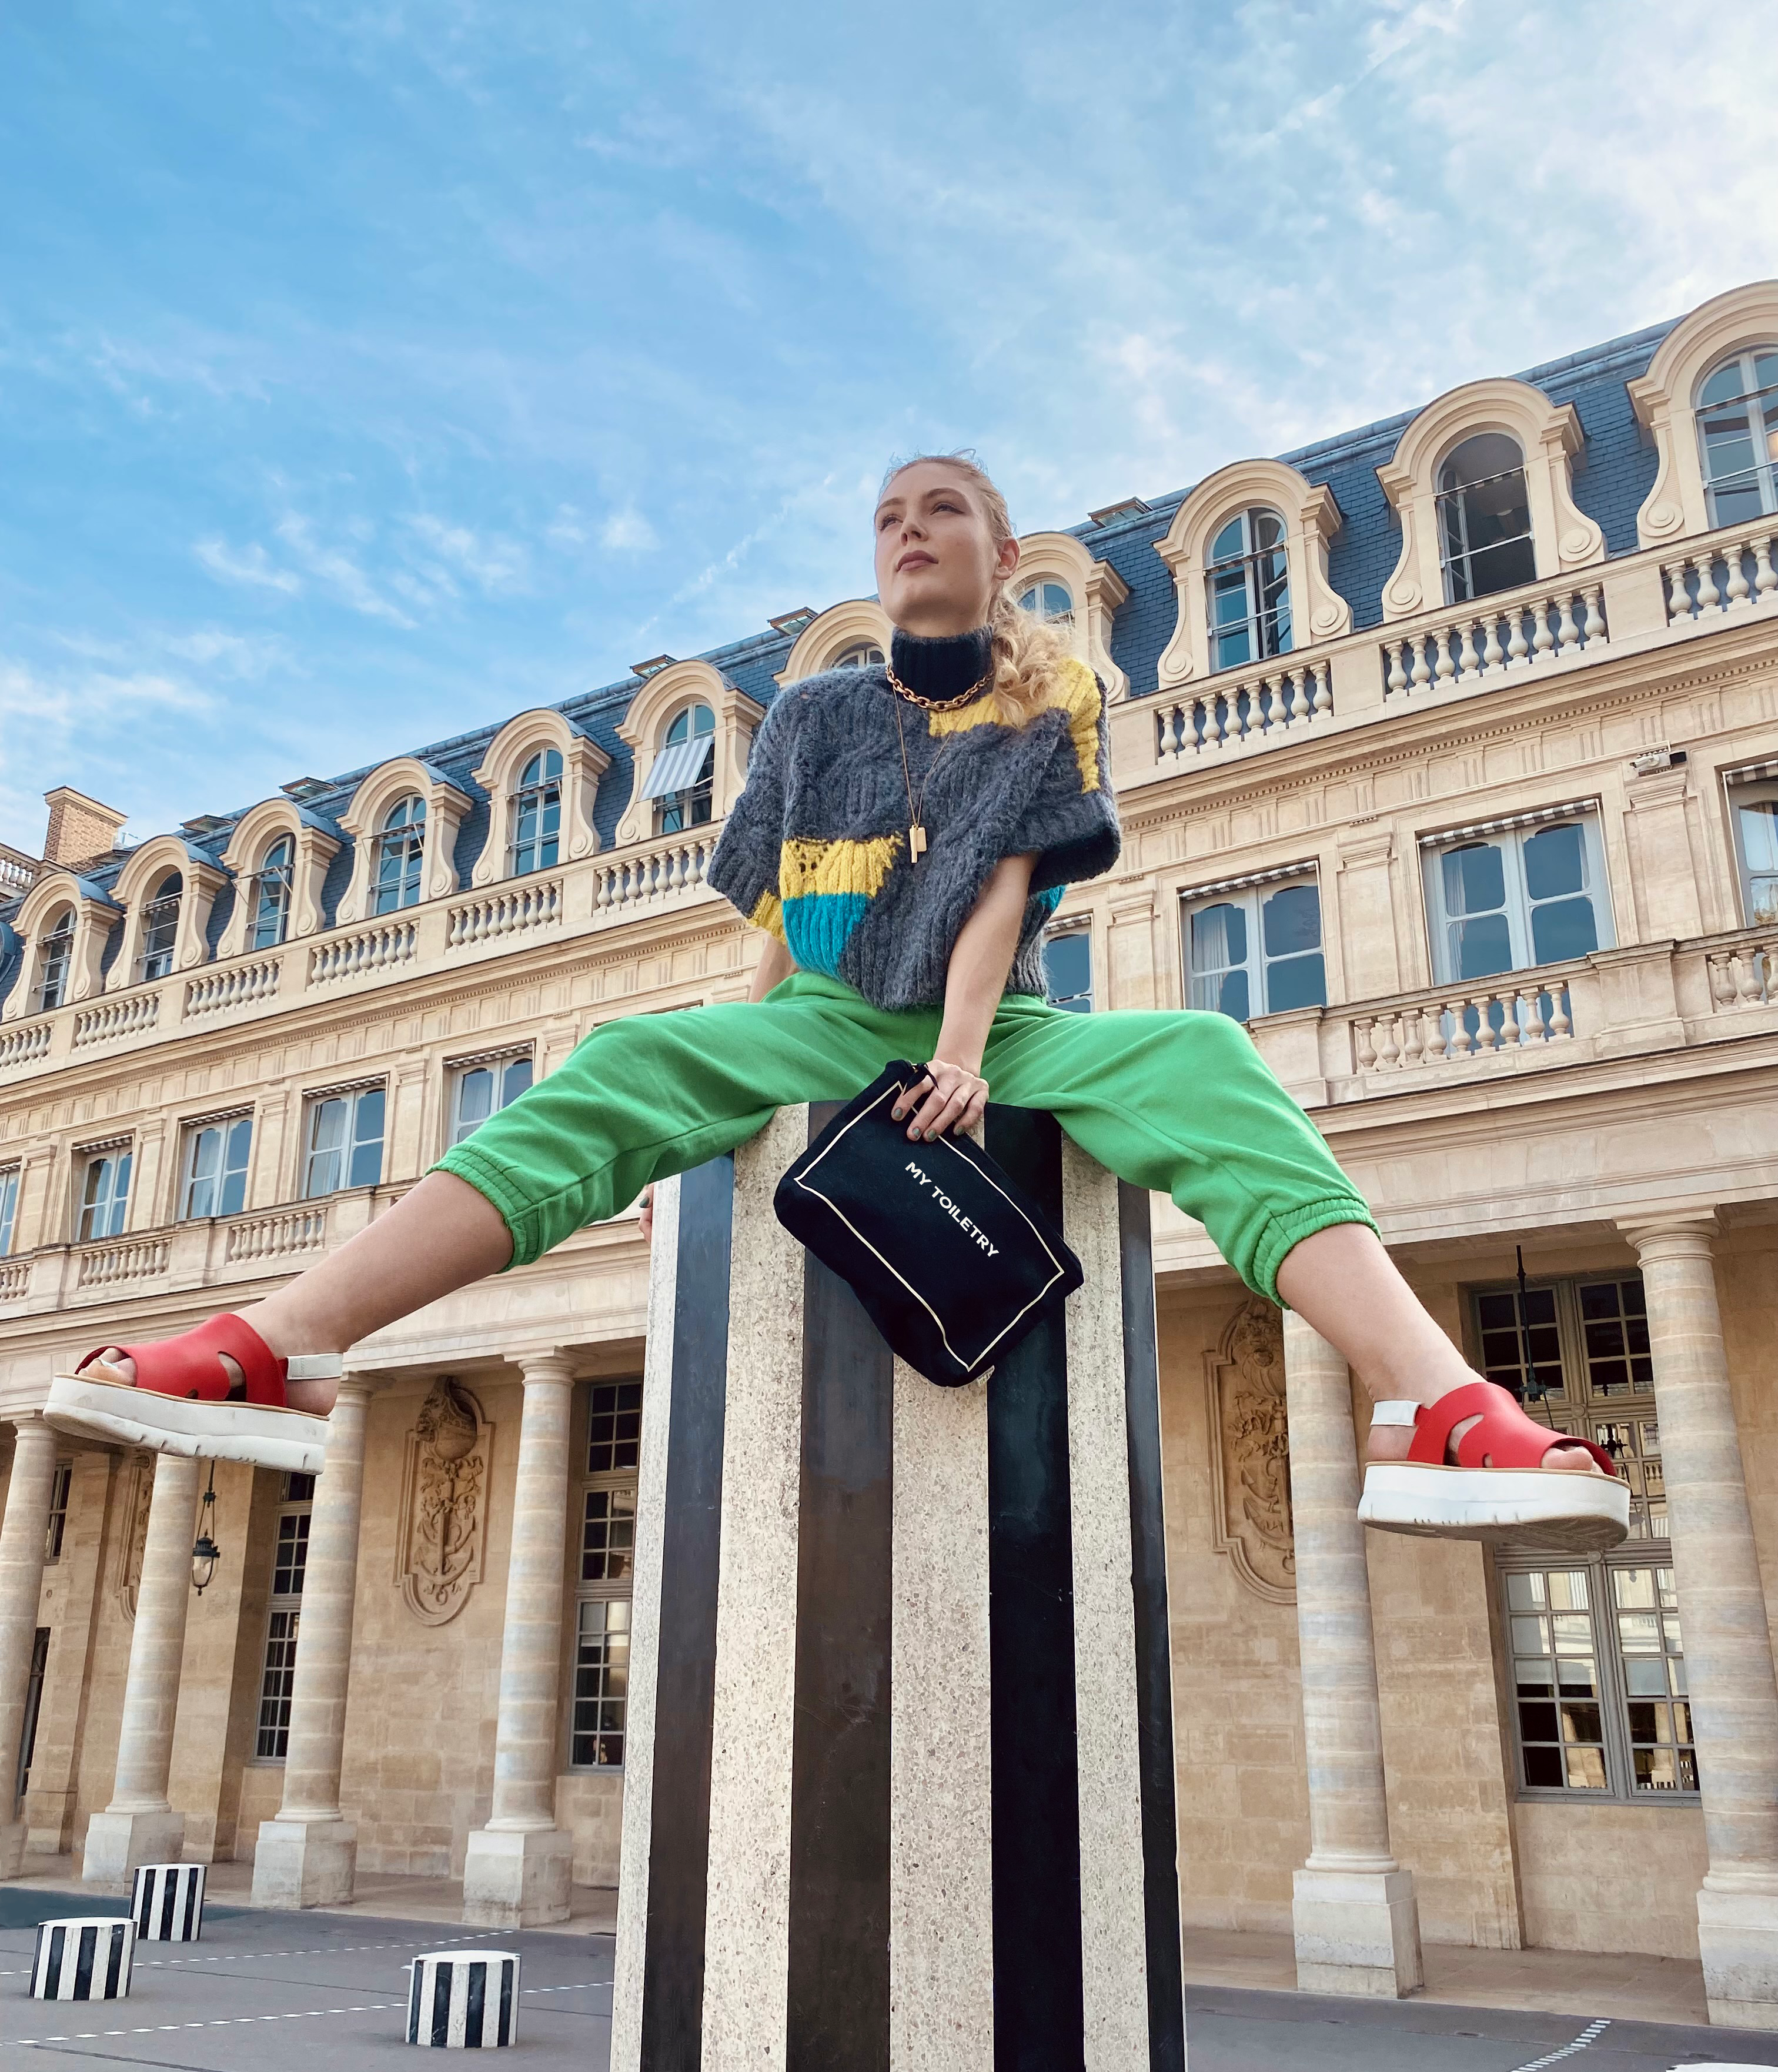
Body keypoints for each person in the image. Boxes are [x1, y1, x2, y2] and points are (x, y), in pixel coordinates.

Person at [48, 454, 1626, 1550]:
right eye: (889, 516)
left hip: (989, 1019)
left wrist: (953, 1051)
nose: (910, 531)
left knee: (1210, 1058)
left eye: (944, 510)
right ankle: (288, 1344)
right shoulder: (809, 708)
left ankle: (1439, 1406)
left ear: (1002, 555)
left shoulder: (1050, 689)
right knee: (622, 1068)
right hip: (820, 1002)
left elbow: (1005, 886)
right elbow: (776, 916)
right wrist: (725, 1089)